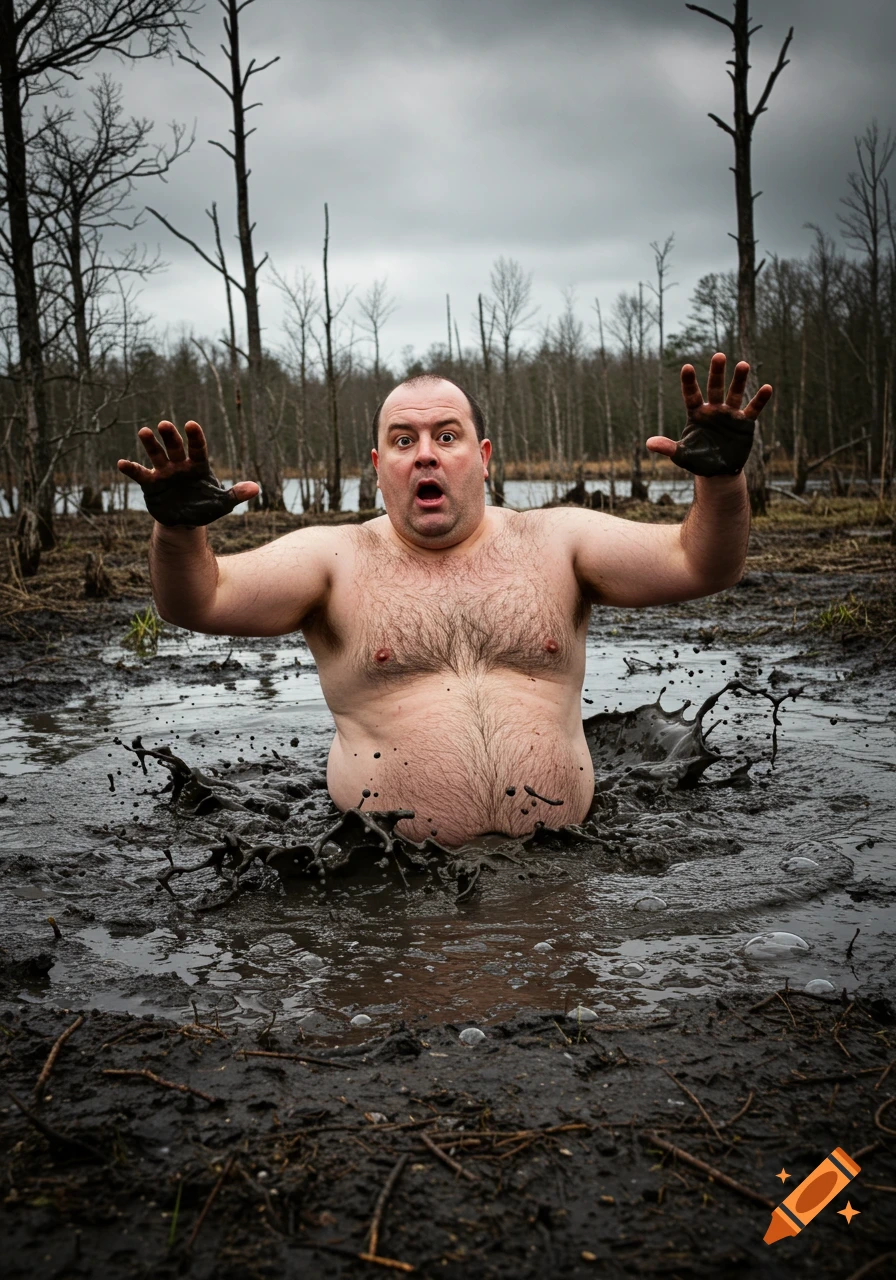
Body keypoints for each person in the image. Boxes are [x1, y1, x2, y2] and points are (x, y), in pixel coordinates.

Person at [118, 353, 772, 846]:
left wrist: (722, 482)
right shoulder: (333, 560)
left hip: (563, 868)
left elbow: (701, 564)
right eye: (404, 440)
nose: (425, 454)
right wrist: (178, 531)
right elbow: (198, 602)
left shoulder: (557, 542)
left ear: (482, 457)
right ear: (378, 465)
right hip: (385, 885)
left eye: (447, 436)